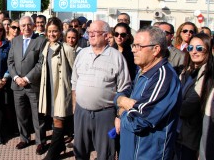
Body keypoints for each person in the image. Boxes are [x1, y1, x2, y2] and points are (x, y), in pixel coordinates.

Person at [115, 26, 182, 160]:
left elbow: (138, 121)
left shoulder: (164, 78)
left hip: (147, 154)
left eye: (139, 46)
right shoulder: (143, 70)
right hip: (130, 151)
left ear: (156, 49)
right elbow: (123, 92)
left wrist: (121, 113)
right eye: (134, 45)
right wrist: (122, 101)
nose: (133, 49)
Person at [71, 20, 131, 160]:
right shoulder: (82, 54)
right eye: (89, 32)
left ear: (106, 36)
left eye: (95, 32)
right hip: (81, 112)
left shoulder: (117, 57)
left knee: (105, 154)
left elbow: (124, 88)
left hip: (105, 114)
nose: (90, 35)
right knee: (80, 152)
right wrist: (75, 107)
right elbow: (74, 83)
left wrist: (118, 116)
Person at [7, 15, 47, 155]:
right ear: (20, 27)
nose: (26, 28)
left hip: (33, 85)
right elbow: (10, 62)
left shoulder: (41, 40)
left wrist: (27, 78)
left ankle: (40, 141)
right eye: (23, 25)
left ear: (33, 25)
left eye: (29, 25)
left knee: (37, 115)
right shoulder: (15, 41)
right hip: (17, 85)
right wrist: (17, 78)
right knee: (21, 114)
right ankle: (24, 138)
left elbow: (41, 63)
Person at [38, 17, 75, 160]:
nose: (52, 34)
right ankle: (59, 146)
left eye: (55, 31)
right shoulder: (46, 46)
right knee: (54, 119)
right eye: (49, 31)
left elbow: (75, 72)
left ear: (60, 32)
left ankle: (52, 153)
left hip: (61, 90)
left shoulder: (67, 48)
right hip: (49, 89)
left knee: (59, 119)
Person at [175, 33, 214, 160]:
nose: (194, 52)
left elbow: (189, 107)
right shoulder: (187, 72)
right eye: (191, 48)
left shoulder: (208, 75)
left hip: (194, 136)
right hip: (180, 132)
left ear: (208, 50)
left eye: (199, 48)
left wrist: (170, 106)